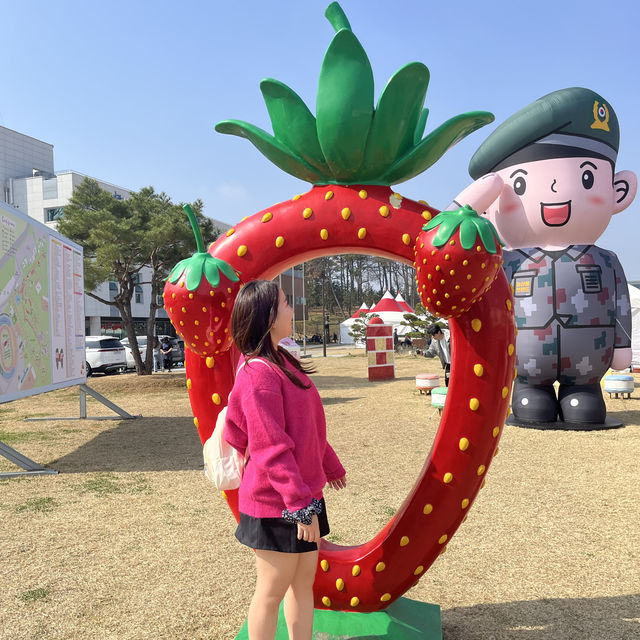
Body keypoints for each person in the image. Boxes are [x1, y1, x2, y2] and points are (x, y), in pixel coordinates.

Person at [465, 87, 636, 424]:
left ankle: (584, 393)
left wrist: (621, 346)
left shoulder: (605, 260)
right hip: (528, 363)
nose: (556, 191)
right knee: (532, 405)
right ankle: (531, 392)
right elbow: (490, 307)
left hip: (589, 360)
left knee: (584, 408)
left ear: (620, 191)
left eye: (586, 178)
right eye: (520, 185)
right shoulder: (506, 261)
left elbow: (619, 303)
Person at [224, 280, 347, 640]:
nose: (292, 309)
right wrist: (300, 507)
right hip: (278, 505)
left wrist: (330, 466)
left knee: (303, 585)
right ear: (267, 316)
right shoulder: (257, 373)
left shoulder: (284, 361)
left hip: (303, 497)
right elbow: (270, 447)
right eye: (285, 303)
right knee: (271, 590)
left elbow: (308, 429)